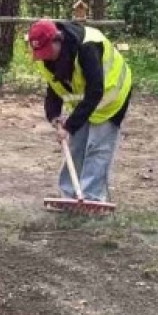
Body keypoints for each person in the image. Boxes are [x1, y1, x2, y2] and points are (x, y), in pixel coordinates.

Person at [27, 18, 132, 204]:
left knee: (98, 148)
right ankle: (69, 196)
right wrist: (54, 117)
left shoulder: (87, 47)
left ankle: (92, 198)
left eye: (46, 51)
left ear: (57, 40)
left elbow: (95, 90)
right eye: (40, 53)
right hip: (86, 101)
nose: (44, 57)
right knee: (76, 145)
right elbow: (53, 87)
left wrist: (69, 126)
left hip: (112, 96)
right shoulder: (47, 58)